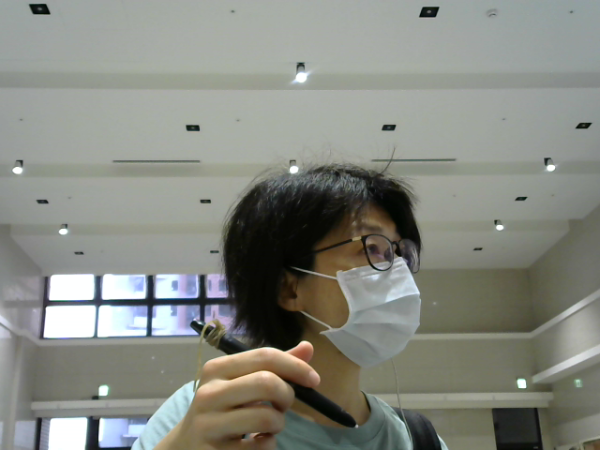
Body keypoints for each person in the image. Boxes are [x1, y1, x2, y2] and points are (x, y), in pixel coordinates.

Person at [132, 163, 449, 449]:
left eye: (399, 253)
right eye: (373, 248)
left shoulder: (417, 438)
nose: (397, 270)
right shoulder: (203, 419)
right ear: (288, 288)